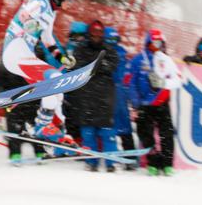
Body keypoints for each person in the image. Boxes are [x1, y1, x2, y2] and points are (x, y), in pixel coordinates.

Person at [1, 0, 81, 153]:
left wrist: (62, 58)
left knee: (58, 91)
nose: (73, 1)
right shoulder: (41, 1)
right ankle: (41, 126)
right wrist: (29, 23)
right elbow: (25, 13)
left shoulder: (50, 12)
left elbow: (48, 40)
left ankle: (60, 131)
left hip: (24, 54)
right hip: (15, 51)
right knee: (55, 79)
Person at [128, 29, 181, 176]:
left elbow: (178, 80)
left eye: (160, 43)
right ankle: (152, 162)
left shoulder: (166, 60)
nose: (157, 46)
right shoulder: (138, 60)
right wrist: (135, 104)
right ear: (148, 43)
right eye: (154, 42)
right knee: (146, 135)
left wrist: (163, 82)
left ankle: (168, 164)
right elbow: (131, 84)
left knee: (167, 134)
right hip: (144, 105)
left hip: (162, 103)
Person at [71, 20, 119, 172]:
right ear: (89, 33)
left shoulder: (109, 49)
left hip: (105, 96)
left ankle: (111, 161)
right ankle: (91, 161)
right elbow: (79, 66)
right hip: (86, 96)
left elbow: (113, 64)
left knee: (107, 132)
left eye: (99, 33)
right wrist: (97, 66)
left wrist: (97, 66)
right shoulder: (81, 48)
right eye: (94, 32)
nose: (96, 36)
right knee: (88, 132)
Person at [105, 26, 138, 170]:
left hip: (120, 95)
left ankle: (130, 158)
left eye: (115, 39)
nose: (112, 42)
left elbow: (127, 77)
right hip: (106, 94)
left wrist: (131, 97)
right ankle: (110, 157)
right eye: (110, 39)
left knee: (125, 128)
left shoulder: (122, 54)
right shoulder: (102, 53)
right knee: (107, 128)